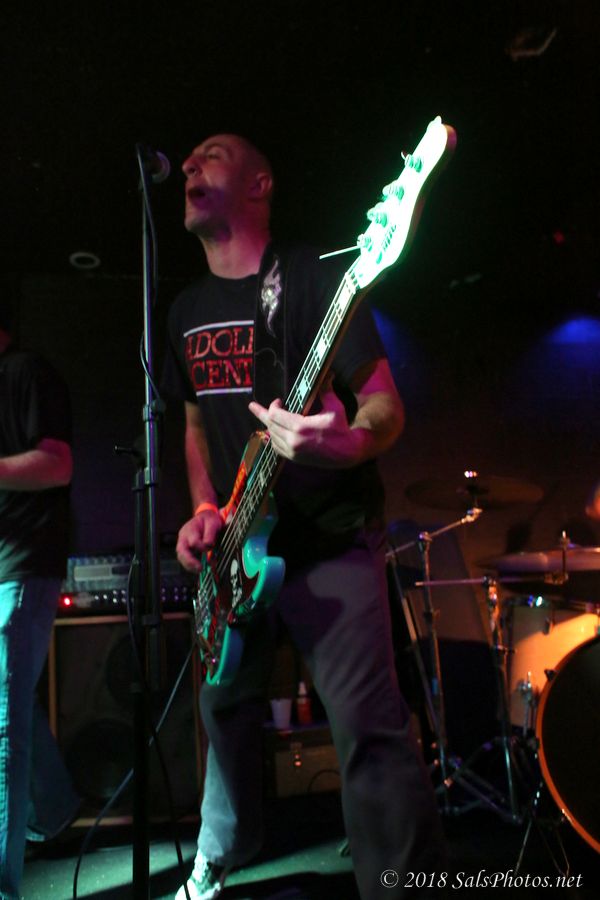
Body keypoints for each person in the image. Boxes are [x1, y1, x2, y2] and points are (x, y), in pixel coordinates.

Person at [162, 133, 446, 900]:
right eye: (188, 157)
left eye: (212, 153)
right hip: (236, 548)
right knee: (222, 715)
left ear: (260, 183)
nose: (188, 164)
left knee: (369, 730)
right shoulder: (184, 309)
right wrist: (204, 509)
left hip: (327, 537)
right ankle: (217, 855)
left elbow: (383, 405)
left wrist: (345, 441)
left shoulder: (320, 275)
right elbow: (194, 426)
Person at [0, 302, 80, 899]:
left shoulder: (25, 371)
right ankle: (52, 809)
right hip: (7, 563)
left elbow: (58, 464)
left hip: (24, 565)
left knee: (4, 726)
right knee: (11, 709)